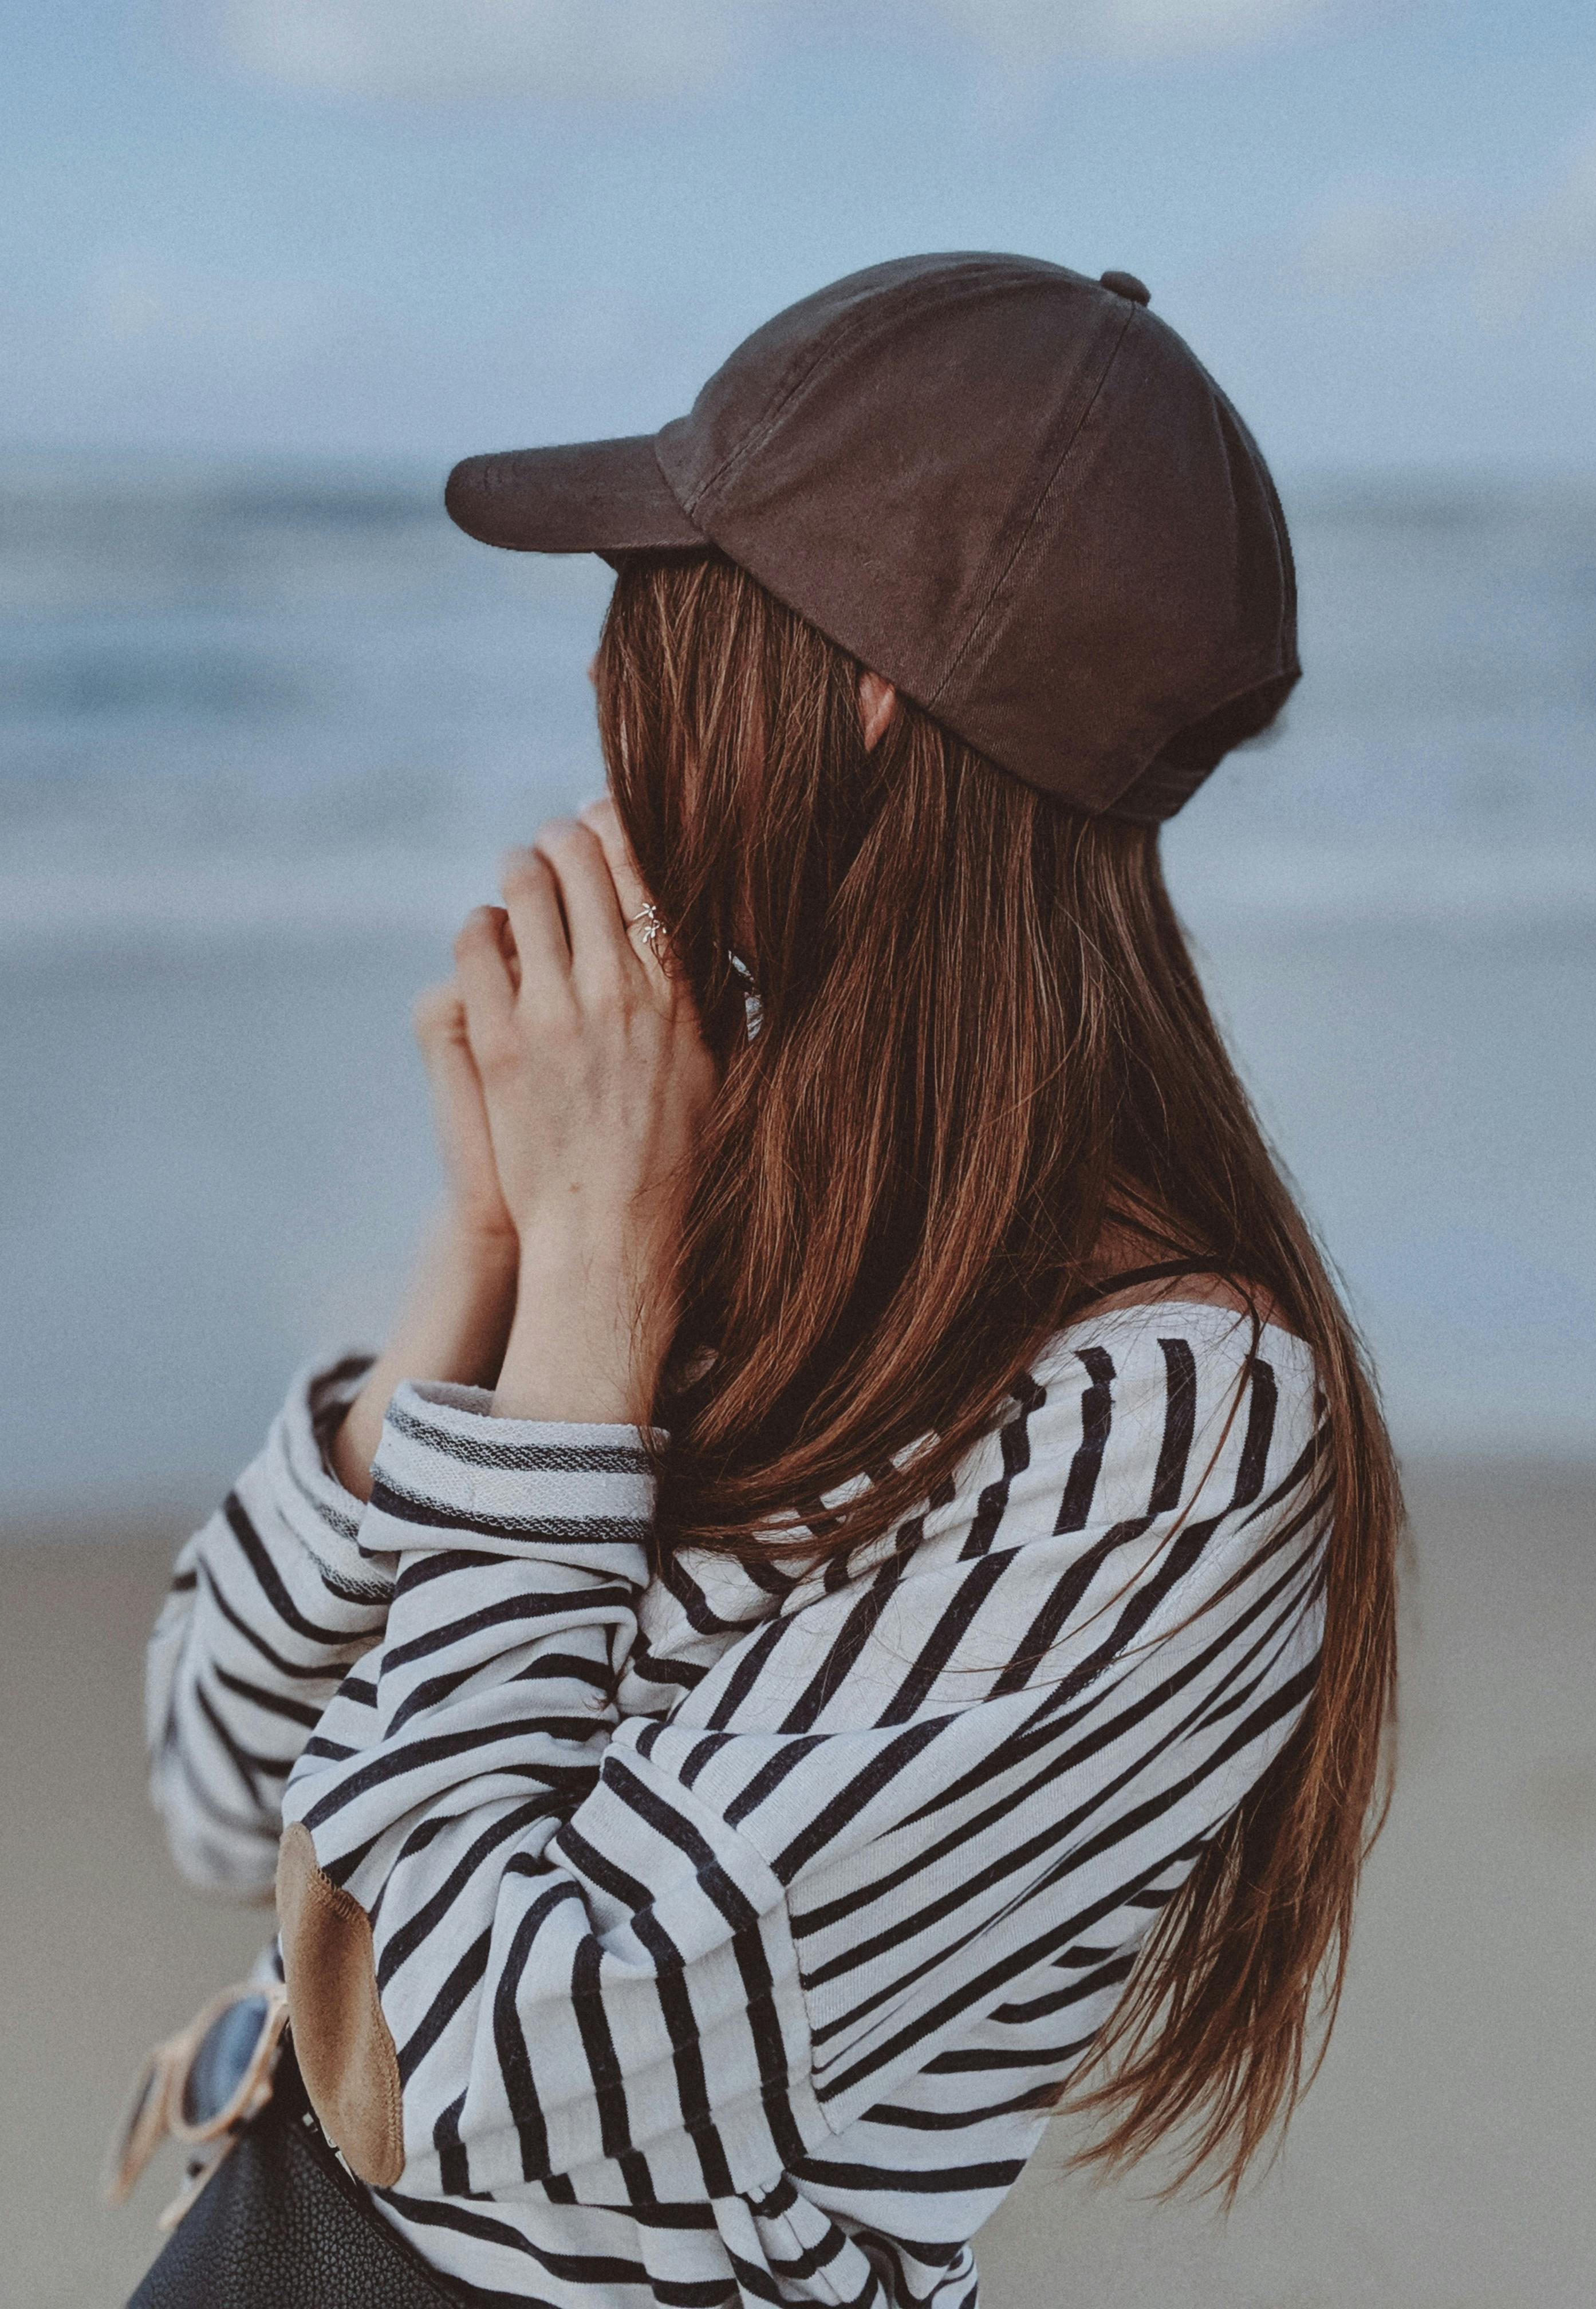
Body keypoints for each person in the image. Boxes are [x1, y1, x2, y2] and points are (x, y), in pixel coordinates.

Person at [139, 253, 1400, 2308]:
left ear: (868, 689)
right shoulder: (708, 1175)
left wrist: (596, 1309)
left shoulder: (1171, 1425)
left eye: (666, 600)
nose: (608, 684)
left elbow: (480, 2069)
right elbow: (215, 1791)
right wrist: (487, 1263)